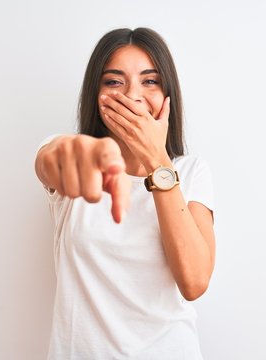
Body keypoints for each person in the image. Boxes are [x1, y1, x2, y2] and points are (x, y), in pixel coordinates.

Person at [34, 27, 216, 359]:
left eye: (150, 81)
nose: (132, 96)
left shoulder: (190, 172)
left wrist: (156, 160)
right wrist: (54, 154)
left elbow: (194, 281)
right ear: (95, 94)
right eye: (114, 82)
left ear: (167, 94)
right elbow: (50, 160)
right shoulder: (77, 157)